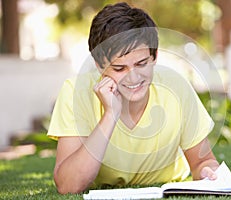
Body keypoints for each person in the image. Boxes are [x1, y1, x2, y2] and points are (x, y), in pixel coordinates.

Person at [47, 2, 219, 194]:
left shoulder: (176, 87)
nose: (133, 78)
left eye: (141, 64)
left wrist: (207, 172)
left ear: (154, 57)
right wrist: (110, 114)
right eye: (119, 68)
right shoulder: (75, 92)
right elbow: (68, 186)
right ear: (98, 64)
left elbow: (202, 162)